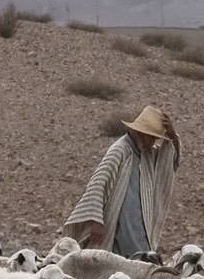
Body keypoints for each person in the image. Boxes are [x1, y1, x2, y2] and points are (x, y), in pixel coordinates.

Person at [62, 105, 179, 256]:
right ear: (139, 132)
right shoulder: (120, 150)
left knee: (141, 260)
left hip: (138, 223)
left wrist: (172, 136)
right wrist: (96, 219)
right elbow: (98, 182)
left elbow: (168, 162)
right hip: (118, 222)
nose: (152, 142)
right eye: (151, 137)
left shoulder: (146, 154)